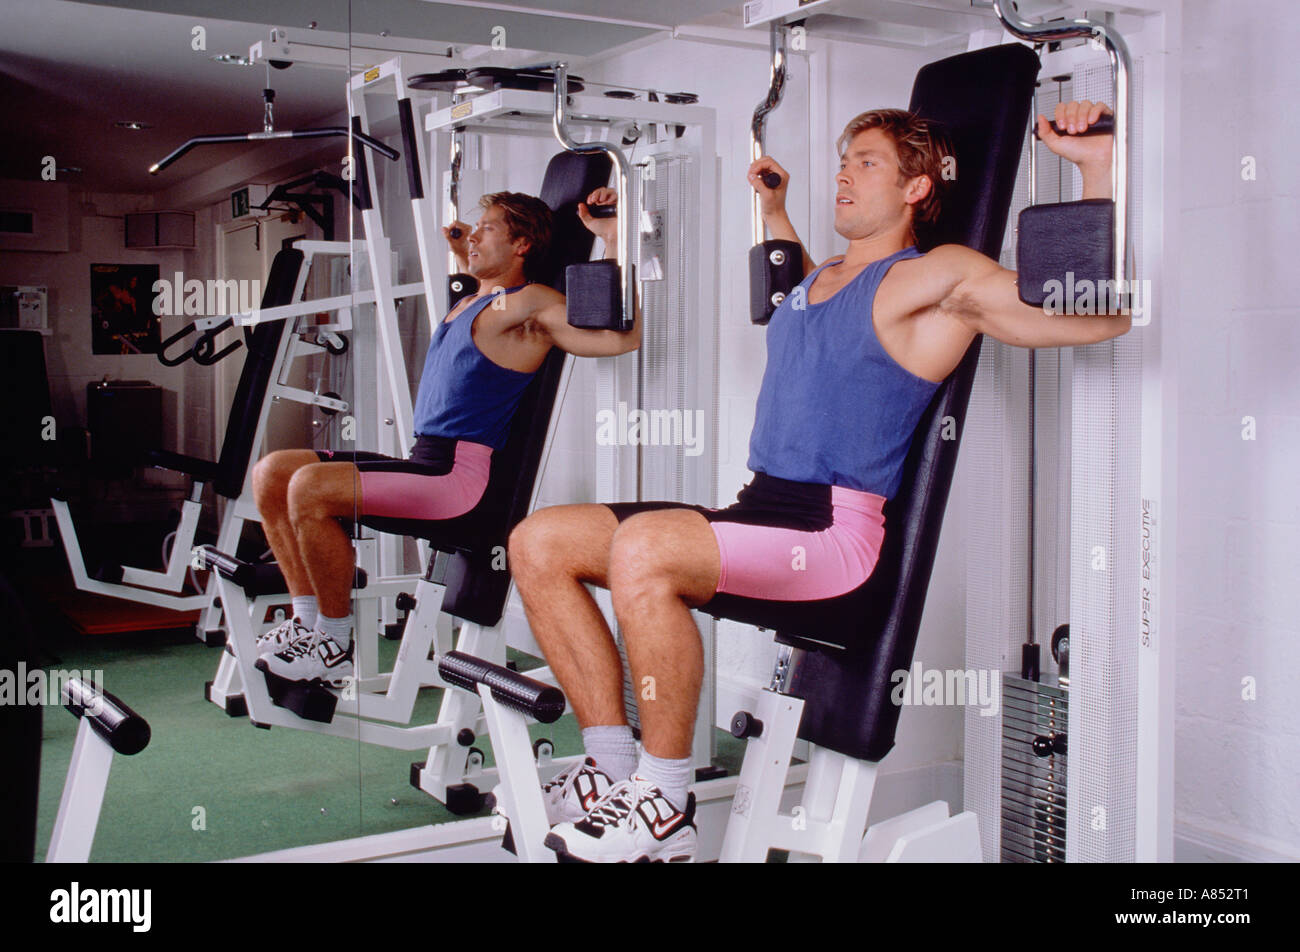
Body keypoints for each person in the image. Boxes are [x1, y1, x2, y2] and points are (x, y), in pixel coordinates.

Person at [507, 100, 1131, 863]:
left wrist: (1095, 165)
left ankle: (665, 802)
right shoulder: (820, 277)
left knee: (645, 549)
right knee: (538, 542)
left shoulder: (935, 278)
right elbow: (797, 297)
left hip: (832, 538)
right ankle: (612, 769)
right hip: (760, 509)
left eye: (866, 162)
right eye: (843, 159)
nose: (843, 173)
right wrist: (774, 210)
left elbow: (1096, 317)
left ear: (915, 189)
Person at [249, 187, 636, 686]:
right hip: (424, 461)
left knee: (309, 487)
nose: (475, 234)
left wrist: (611, 238)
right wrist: (465, 251)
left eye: (488, 227)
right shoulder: (473, 301)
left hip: (458, 479)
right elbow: (480, 305)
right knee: (273, 472)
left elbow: (617, 337)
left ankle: (333, 642)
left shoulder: (530, 304)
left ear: (521, 246)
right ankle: (308, 623)